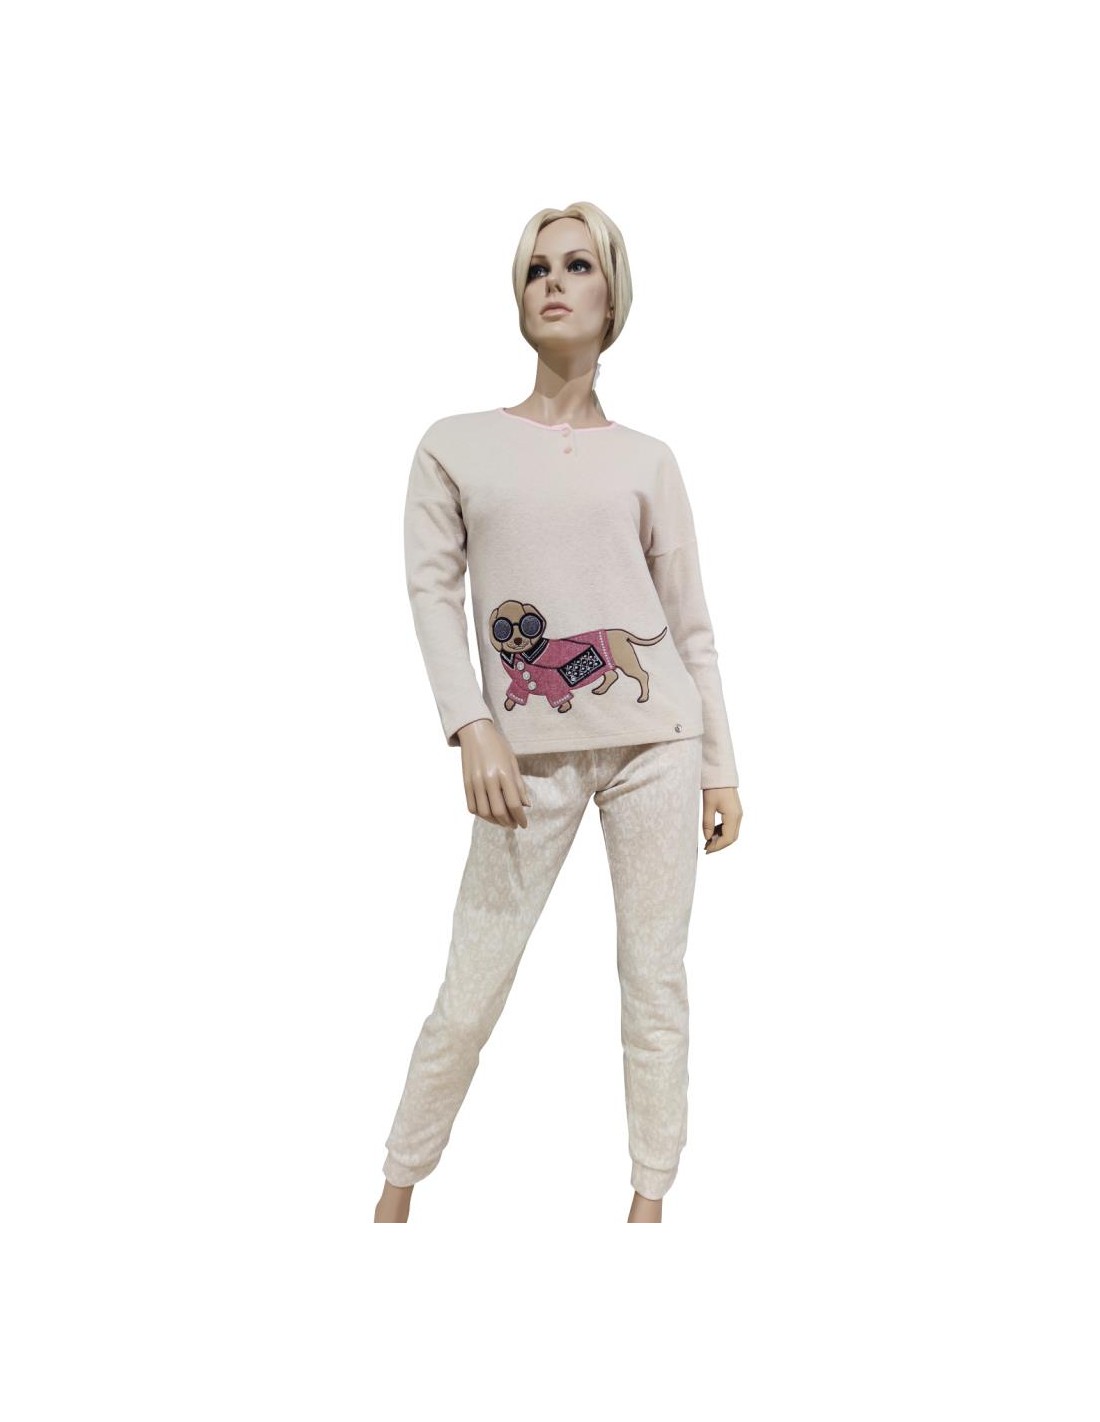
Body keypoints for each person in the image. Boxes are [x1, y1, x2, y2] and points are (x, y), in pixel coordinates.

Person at [374, 202, 743, 1224]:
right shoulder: (456, 446)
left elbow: (689, 623)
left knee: (653, 982)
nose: (553, 281)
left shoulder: (648, 460)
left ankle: (648, 1209)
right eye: (537, 267)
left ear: (611, 295)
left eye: (577, 265)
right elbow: (431, 592)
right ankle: (395, 1191)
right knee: (472, 985)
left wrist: (719, 766)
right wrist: (471, 723)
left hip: (657, 746)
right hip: (525, 754)